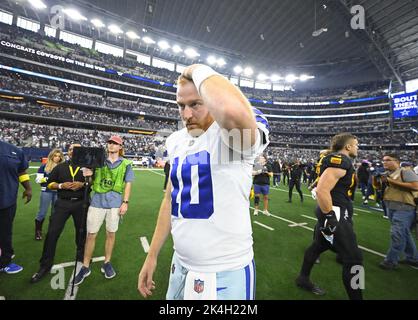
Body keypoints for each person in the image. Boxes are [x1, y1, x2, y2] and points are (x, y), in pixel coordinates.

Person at [137, 64, 269, 300]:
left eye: (195, 104)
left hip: (225, 272)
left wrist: (196, 69)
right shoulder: (176, 141)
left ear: (210, 97)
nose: (186, 115)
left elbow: (230, 111)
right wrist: (153, 254)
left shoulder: (228, 139)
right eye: (181, 106)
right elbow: (170, 198)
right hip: (180, 265)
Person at [295, 133, 363, 300]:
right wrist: (330, 215)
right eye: (356, 145)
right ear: (348, 146)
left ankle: (303, 278)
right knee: (354, 260)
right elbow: (322, 190)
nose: (357, 148)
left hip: (333, 210)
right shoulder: (342, 160)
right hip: (335, 212)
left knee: (319, 245)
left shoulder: (339, 160)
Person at [73, 135, 134, 285]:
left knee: (111, 234)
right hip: (97, 201)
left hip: (115, 203)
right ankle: (85, 266)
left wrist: (125, 202)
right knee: (91, 235)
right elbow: (90, 181)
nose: (112, 145)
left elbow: (128, 184)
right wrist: (88, 175)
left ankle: (107, 262)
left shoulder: (126, 163)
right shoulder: (98, 160)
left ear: (120, 147)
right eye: (110, 143)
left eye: (115, 143)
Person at [30, 144, 88, 283]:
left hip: (81, 203)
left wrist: (83, 184)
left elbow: (93, 184)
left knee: (81, 232)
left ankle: (82, 258)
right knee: (52, 233)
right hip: (62, 203)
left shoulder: (88, 168)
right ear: (67, 152)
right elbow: (49, 184)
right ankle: (45, 265)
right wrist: (61, 185)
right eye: (70, 149)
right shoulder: (60, 167)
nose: (73, 151)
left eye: (76, 149)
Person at [376, 153, 418, 269]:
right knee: (404, 234)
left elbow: (416, 186)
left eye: (388, 160)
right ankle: (413, 258)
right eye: (383, 160)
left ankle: (391, 261)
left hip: (404, 207)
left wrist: (390, 181)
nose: (384, 162)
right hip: (391, 206)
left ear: (397, 161)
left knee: (397, 234)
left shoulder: (405, 171)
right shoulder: (387, 174)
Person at [0, 140, 32, 274]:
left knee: (5, 231)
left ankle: (5, 260)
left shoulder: (14, 150)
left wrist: (28, 188)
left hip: (7, 200)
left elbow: (21, 171)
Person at [34, 149, 64, 240]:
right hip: (46, 191)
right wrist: (48, 179)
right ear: (51, 156)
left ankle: (51, 232)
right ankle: (38, 232)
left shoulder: (62, 167)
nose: (57, 158)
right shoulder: (44, 166)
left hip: (58, 192)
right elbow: (37, 180)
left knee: (55, 213)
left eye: (59, 156)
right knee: (42, 213)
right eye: (55, 156)